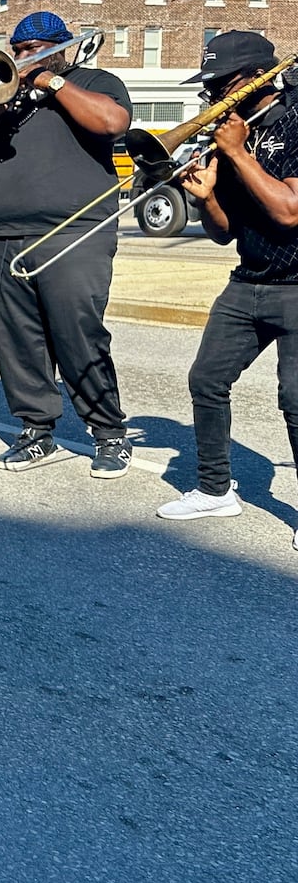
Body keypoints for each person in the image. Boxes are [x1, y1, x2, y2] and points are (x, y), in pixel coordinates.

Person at [0, 10, 134, 476]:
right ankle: (36, 430)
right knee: (17, 338)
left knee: (78, 331)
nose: (24, 58)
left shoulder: (95, 80)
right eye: (19, 51)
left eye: (34, 50)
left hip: (73, 231)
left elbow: (113, 123)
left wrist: (52, 83)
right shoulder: (8, 98)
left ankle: (109, 433)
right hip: (1, 234)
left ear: (60, 47)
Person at [158, 33, 298, 541]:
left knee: (296, 399)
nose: (213, 96)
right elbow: (224, 233)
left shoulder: (293, 122)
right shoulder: (236, 133)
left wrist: (239, 155)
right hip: (249, 281)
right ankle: (216, 491)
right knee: (207, 380)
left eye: (222, 85)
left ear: (258, 78)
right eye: (210, 87)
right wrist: (206, 197)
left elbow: (289, 211)